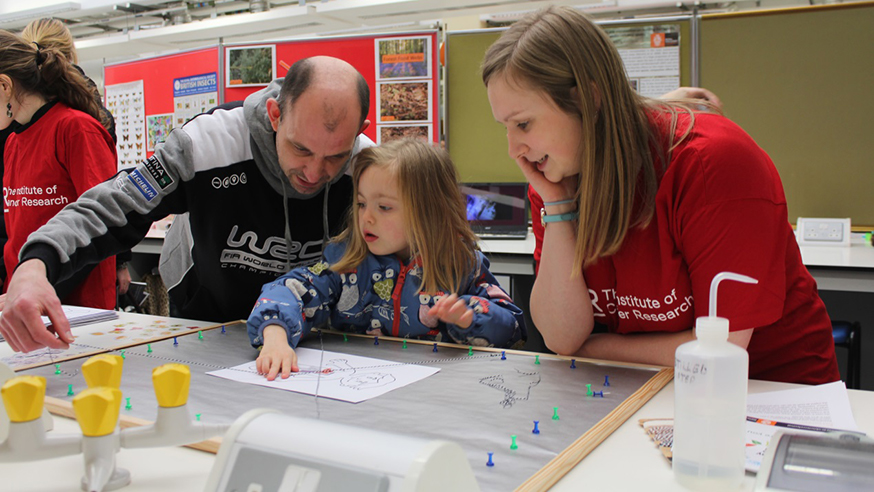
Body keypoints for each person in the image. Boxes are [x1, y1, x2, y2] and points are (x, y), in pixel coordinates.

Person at [482, 6, 839, 385]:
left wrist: (590, 350)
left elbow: (720, 349)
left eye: (523, 124)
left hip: (766, 389)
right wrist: (557, 206)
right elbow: (561, 337)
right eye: (505, 127)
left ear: (588, 98)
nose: (514, 149)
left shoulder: (712, 162)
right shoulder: (559, 173)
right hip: (640, 385)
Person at [0, 56, 374, 353]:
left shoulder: (367, 167)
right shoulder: (206, 143)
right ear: (276, 115)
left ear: (358, 132)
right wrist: (35, 264)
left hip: (310, 334)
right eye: (301, 148)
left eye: (334, 157)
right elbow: (115, 203)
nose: (313, 171)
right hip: (205, 316)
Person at [248, 139, 526, 380]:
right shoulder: (345, 265)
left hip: (434, 398)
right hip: (357, 392)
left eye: (384, 207)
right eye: (361, 203)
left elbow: (513, 328)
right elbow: (289, 289)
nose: (366, 217)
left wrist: (470, 317)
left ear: (429, 212)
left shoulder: (463, 266)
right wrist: (275, 333)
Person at [0, 31, 118, 317]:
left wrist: (41, 291)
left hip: (77, 310)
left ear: (4, 85)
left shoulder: (76, 129)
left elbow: (103, 223)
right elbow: (15, 233)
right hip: (26, 304)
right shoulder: (14, 142)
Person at [19, 17, 130, 296]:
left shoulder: (78, 124)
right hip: (41, 268)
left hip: (62, 268)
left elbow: (104, 202)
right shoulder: (89, 111)